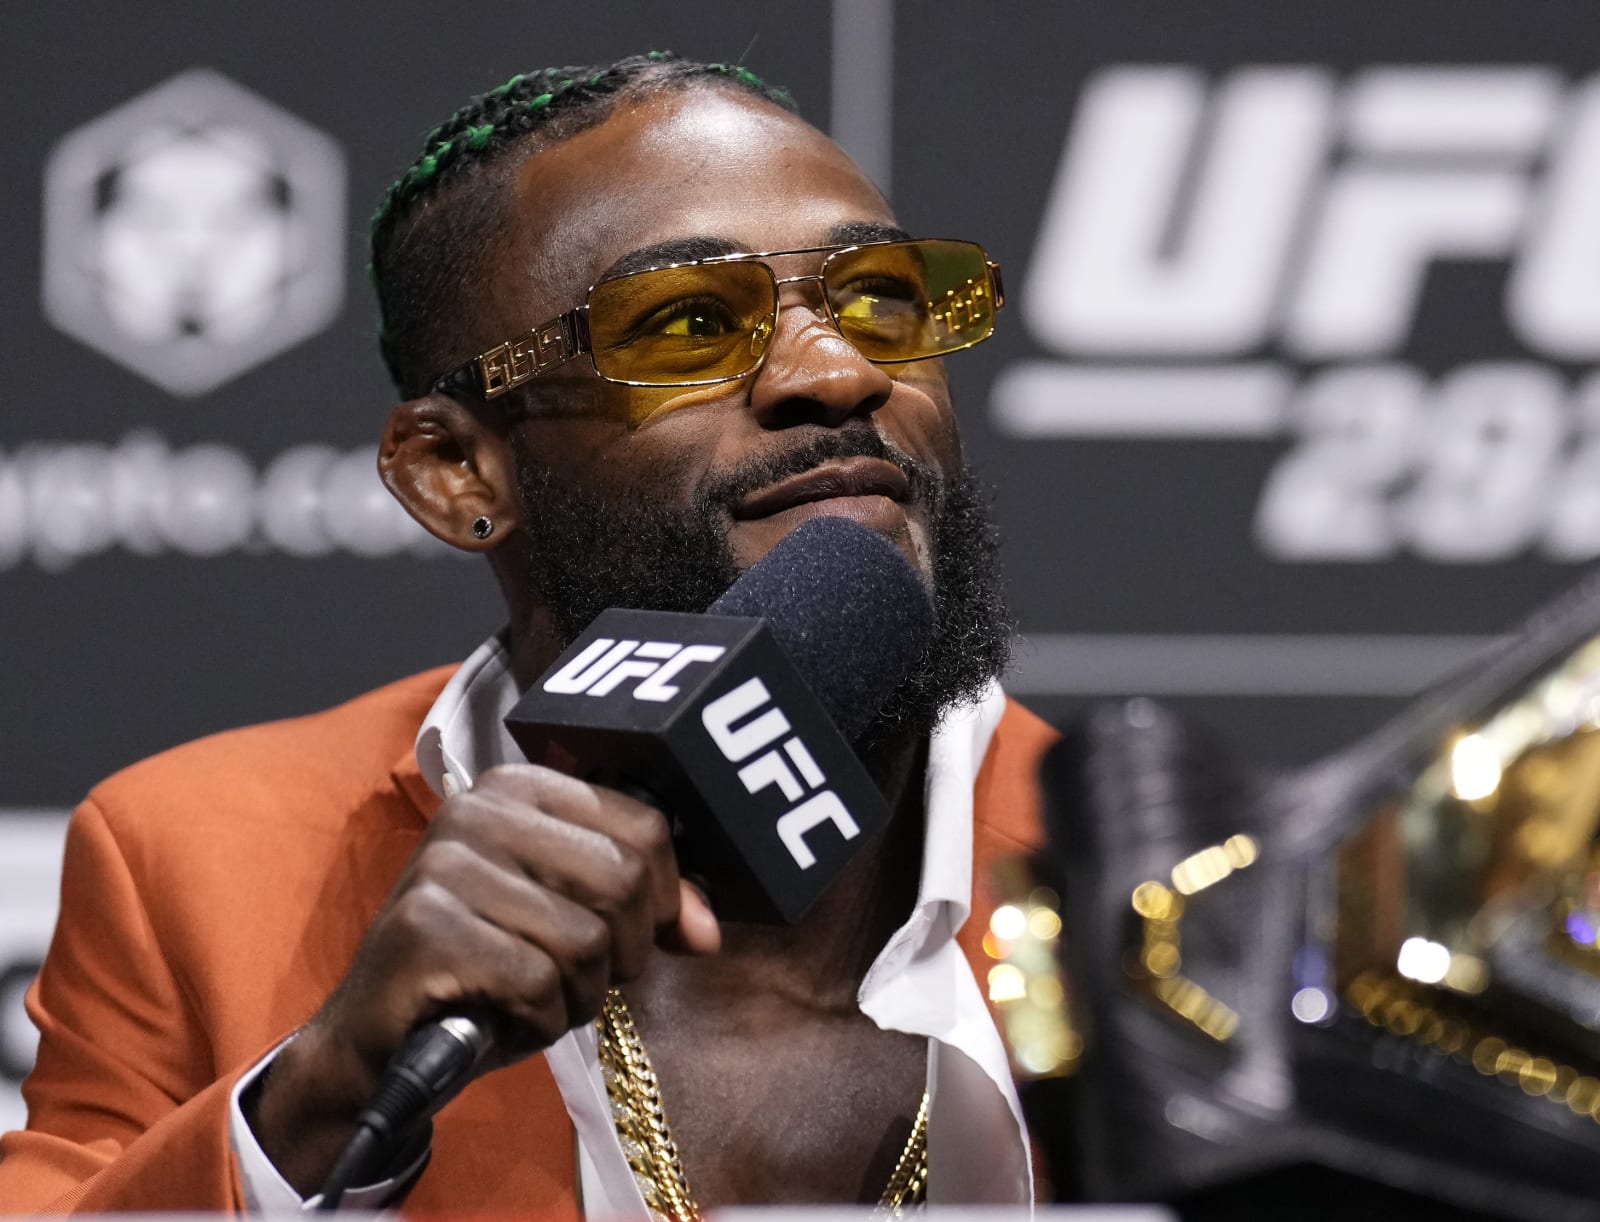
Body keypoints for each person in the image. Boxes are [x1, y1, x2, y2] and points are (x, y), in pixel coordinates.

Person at [0, 53, 1055, 1215]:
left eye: (879, 298)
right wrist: (324, 1091)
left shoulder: (1141, 870)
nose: (839, 369)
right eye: (691, 324)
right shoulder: (193, 861)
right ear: (456, 469)